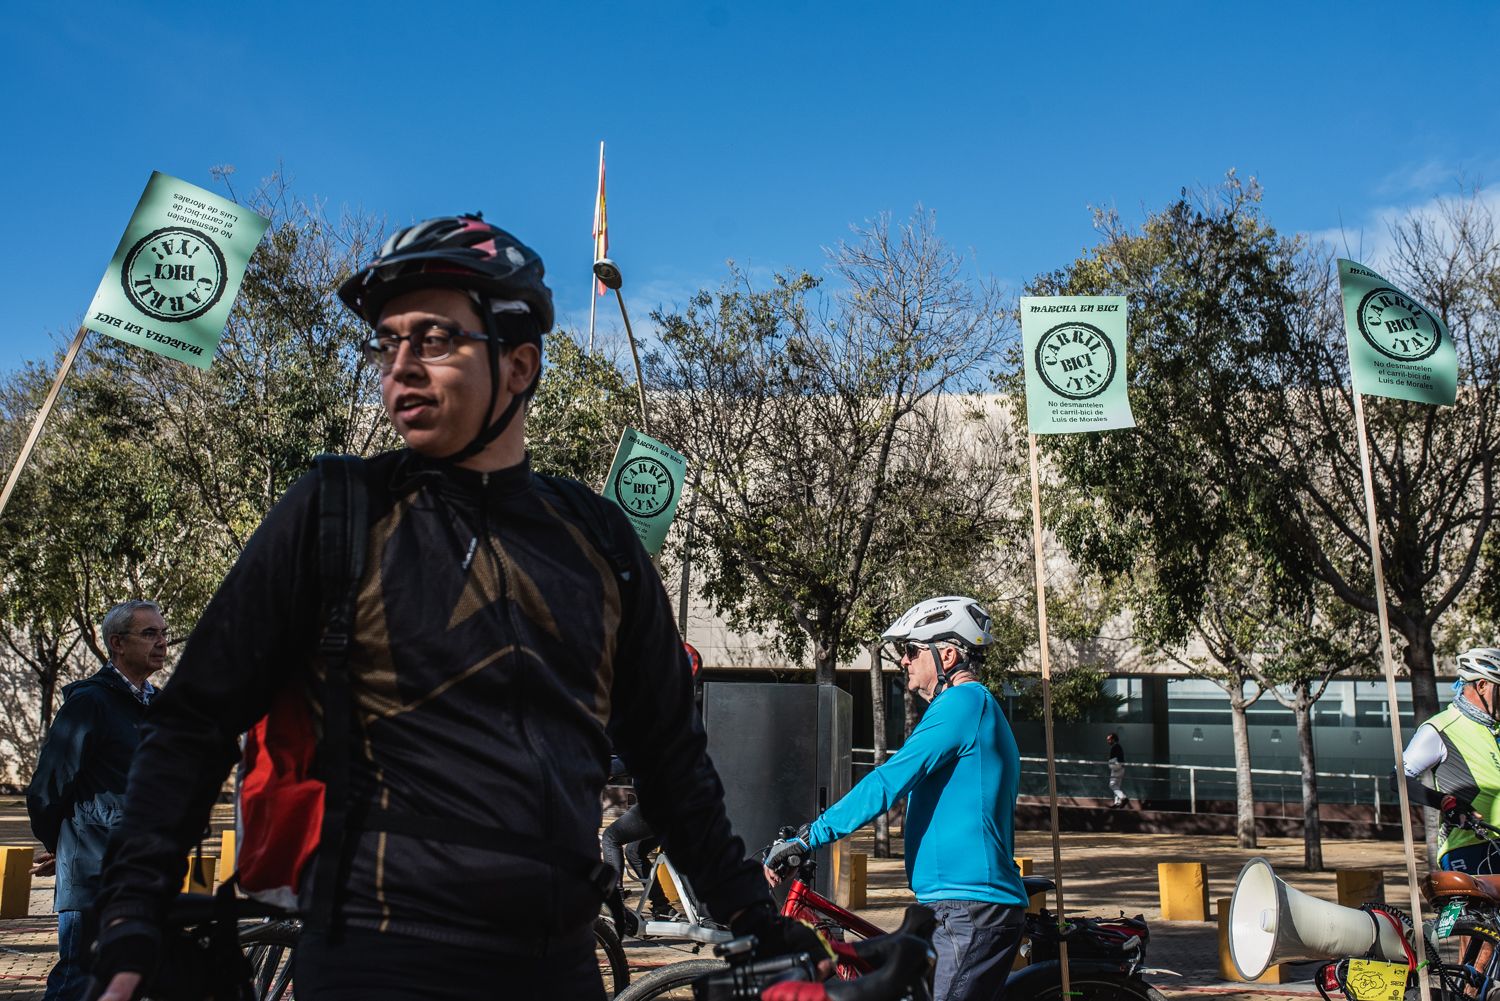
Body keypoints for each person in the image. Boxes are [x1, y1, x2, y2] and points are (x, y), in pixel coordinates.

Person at [91, 215, 813, 1001]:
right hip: (378, 966)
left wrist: (760, 923)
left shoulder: (600, 539)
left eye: (434, 338)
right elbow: (192, 722)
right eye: (386, 342)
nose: (400, 365)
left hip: (561, 969)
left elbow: (673, 766)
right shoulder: (337, 511)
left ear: (519, 364)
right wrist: (130, 914)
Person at [765, 595, 1029, 1001]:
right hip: (956, 906)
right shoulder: (972, 707)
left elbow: (886, 783)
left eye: (911, 650)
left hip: (969, 908)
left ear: (947, 654)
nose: (903, 660)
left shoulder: (963, 704)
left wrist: (809, 837)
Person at [26, 599, 165, 1001]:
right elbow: (48, 788)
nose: (161, 642)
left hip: (144, 869)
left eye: (163, 633)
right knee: (79, 981)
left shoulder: (157, 704)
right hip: (93, 872)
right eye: (149, 633)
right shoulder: (90, 702)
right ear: (117, 643)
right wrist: (64, 846)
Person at [1400, 647, 1500, 873]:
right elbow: (1397, 778)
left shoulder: (1495, 729)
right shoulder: (1441, 727)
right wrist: (1446, 802)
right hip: (1469, 848)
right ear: (1482, 686)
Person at [1105, 732, 1128, 808]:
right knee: (1117, 786)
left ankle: (1123, 797)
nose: (1108, 741)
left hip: (1116, 768)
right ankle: (1117, 803)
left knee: (1112, 785)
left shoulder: (1115, 747)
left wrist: (1110, 760)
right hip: (1120, 768)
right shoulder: (1118, 747)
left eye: (1109, 739)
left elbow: (1115, 759)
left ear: (1113, 739)